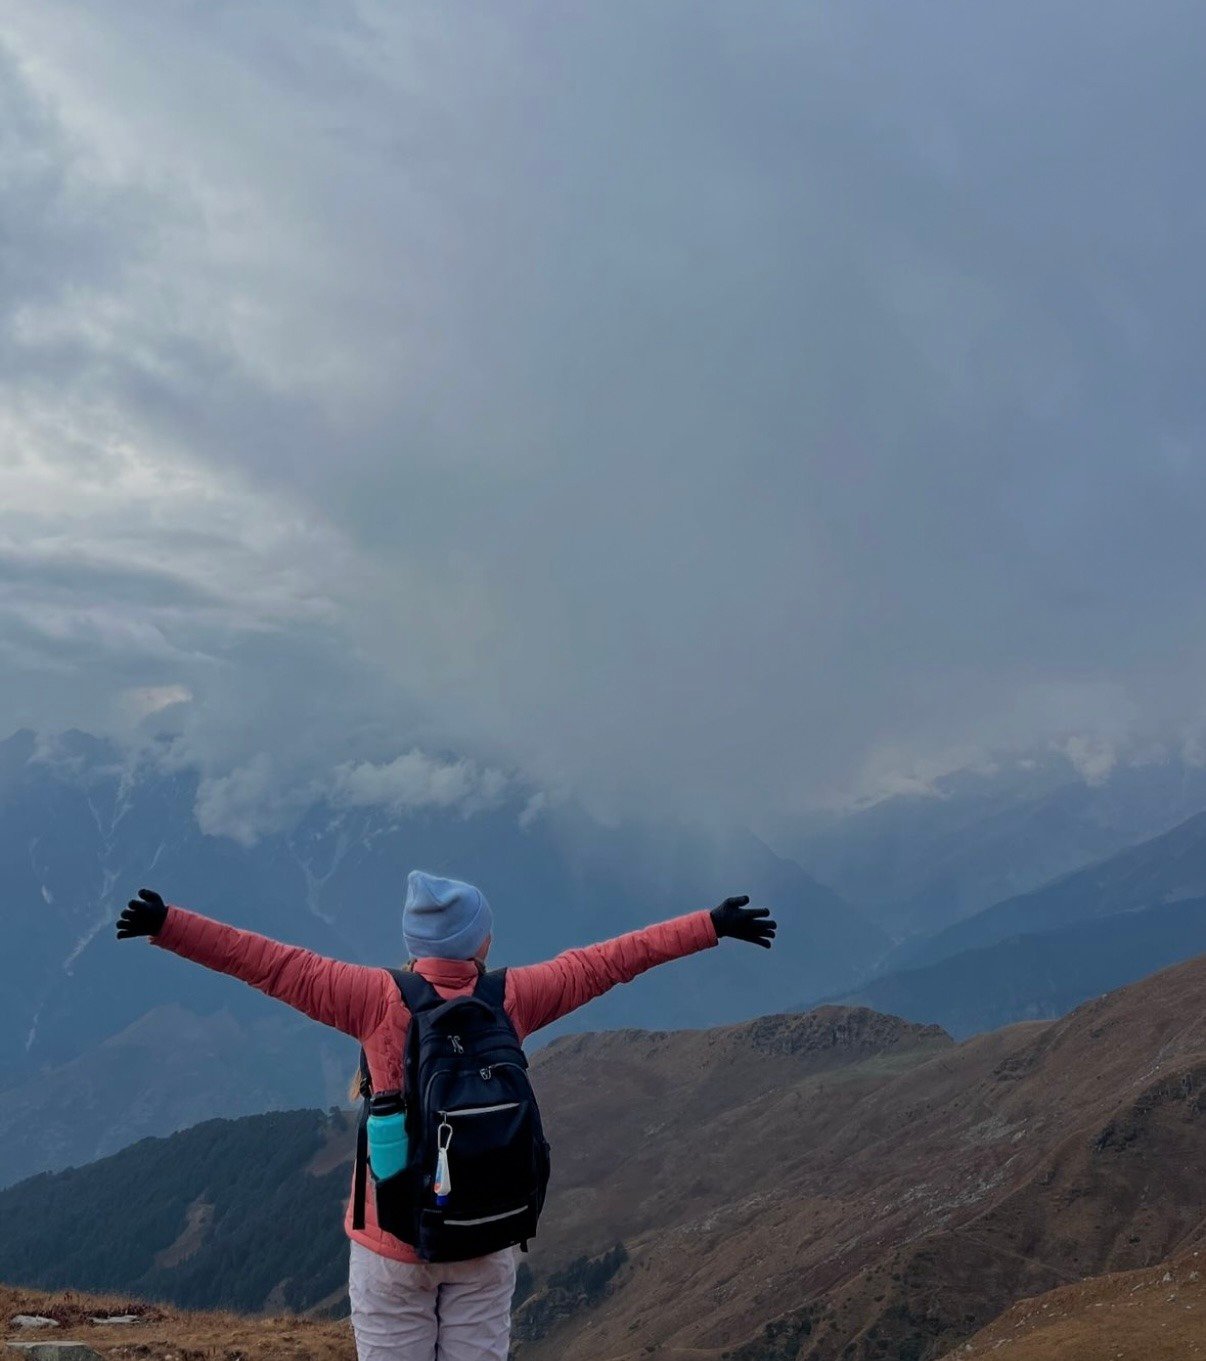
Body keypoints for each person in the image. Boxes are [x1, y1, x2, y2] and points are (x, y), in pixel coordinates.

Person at [116, 872, 777, 1361]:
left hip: (392, 1243)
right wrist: (710, 924)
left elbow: (267, 962)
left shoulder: (369, 996)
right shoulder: (512, 996)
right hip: (487, 1234)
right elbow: (608, 962)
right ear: (481, 940)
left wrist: (168, 923)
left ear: (412, 942)